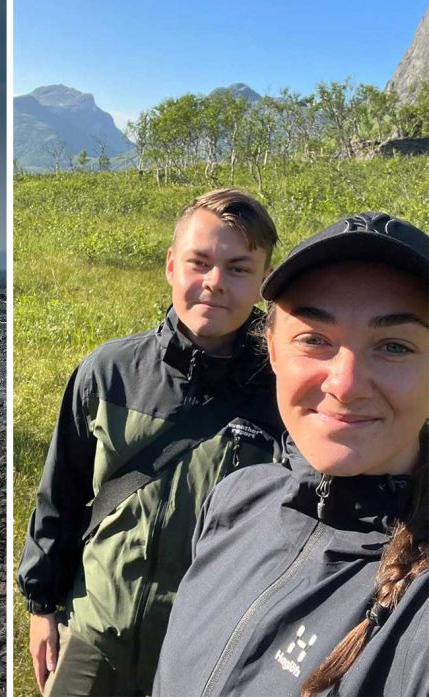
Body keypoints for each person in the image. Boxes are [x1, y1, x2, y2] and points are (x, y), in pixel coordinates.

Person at [17, 188, 285, 695]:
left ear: (264, 281)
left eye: (238, 268)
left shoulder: (286, 394)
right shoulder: (109, 372)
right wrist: (41, 606)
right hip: (94, 630)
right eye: (199, 262)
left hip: (209, 651)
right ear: (170, 265)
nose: (214, 283)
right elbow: (62, 493)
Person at [154, 212, 429, 696]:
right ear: (274, 351)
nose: (344, 385)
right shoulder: (235, 501)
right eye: (315, 340)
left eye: (393, 346)